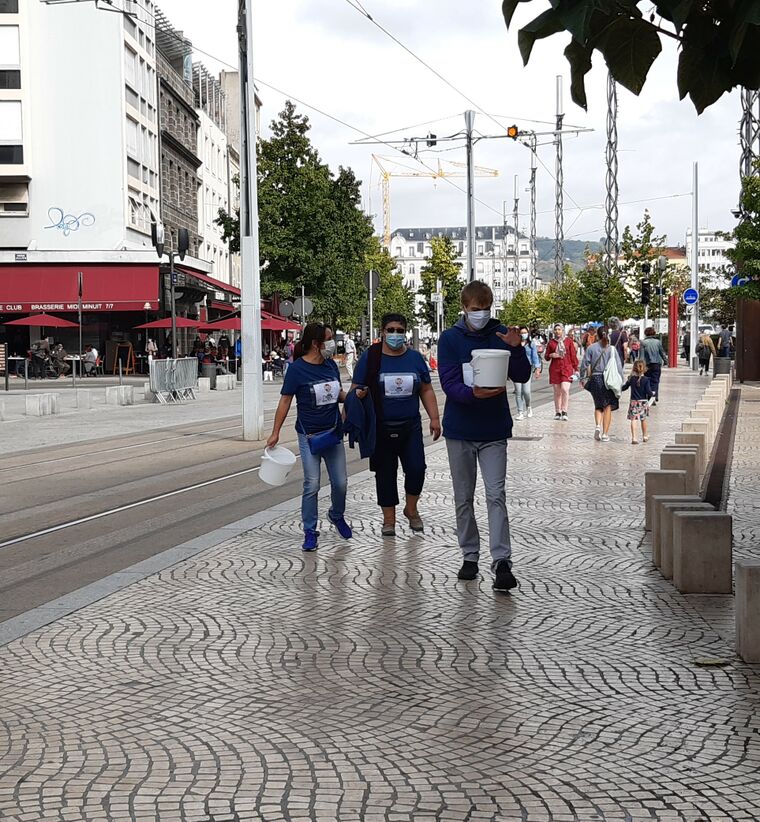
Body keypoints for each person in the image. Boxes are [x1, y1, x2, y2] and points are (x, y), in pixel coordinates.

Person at [438, 281, 530, 592]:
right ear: (464, 308)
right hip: (460, 429)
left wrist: (516, 349)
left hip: (493, 429)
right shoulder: (450, 340)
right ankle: (469, 555)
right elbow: (449, 383)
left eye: (485, 308)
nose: (481, 314)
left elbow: (522, 376)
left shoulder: (502, 333)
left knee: (495, 494)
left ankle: (502, 560)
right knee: (463, 497)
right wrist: (472, 394)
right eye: (475, 309)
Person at [352, 313, 441, 536]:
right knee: (385, 474)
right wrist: (357, 399)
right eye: (390, 330)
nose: (395, 334)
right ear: (382, 332)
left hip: (410, 426)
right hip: (380, 427)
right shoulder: (370, 358)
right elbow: (355, 387)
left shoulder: (414, 359)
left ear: (406, 332)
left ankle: (411, 509)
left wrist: (435, 418)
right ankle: (388, 520)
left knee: (417, 469)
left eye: (400, 330)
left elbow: (426, 389)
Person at [267, 323, 352, 552]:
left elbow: (338, 394)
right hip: (308, 435)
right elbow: (285, 400)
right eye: (329, 339)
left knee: (341, 483)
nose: (333, 343)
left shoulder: (331, 366)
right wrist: (275, 431)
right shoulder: (297, 370)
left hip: (333, 432)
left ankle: (336, 514)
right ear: (316, 343)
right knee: (312, 483)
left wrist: (354, 396)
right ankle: (310, 531)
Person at [580, 326, 624, 442]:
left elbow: (584, 364)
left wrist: (582, 378)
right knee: (607, 406)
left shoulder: (591, 348)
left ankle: (597, 426)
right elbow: (618, 367)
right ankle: (605, 434)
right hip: (608, 380)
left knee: (598, 405)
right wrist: (621, 381)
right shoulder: (612, 349)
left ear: (597, 335)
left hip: (595, 379)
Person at [545, 323, 579, 421]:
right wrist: (552, 355)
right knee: (557, 391)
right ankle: (558, 411)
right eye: (556, 330)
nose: (557, 331)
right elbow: (546, 357)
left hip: (566, 368)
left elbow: (573, 356)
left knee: (565, 389)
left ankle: (564, 411)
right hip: (555, 369)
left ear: (563, 330)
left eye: (559, 329)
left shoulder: (568, 341)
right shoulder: (551, 342)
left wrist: (576, 369)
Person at [621, 359, 654, 445]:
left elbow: (624, 388)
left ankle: (634, 438)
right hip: (643, 402)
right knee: (643, 419)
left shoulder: (631, 379)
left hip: (634, 402)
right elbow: (648, 392)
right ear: (644, 369)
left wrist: (618, 388)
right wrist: (653, 393)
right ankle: (645, 436)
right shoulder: (646, 379)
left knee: (633, 420)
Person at [513, 326, 542, 420]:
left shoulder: (531, 344)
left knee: (526, 391)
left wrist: (537, 368)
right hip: (516, 369)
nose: (523, 334)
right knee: (518, 392)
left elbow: (534, 357)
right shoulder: (514, 344)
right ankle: (520, 412)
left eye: (525, 332)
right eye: (521, 333)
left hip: (527, 369)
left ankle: (528, 406)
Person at [640, 327, 667, 402]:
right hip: (656, 364)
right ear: (654, 333)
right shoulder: (658, 342)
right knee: (655, 381)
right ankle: (654, 396)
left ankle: (649, 396)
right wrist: (665, 361)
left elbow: (641, 356)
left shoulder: (643, 342)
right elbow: (662, 353)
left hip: (646, 364)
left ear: (646, 333)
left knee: (647, 380)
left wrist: (640, 366)